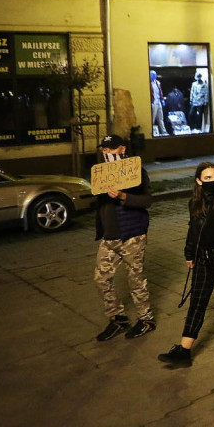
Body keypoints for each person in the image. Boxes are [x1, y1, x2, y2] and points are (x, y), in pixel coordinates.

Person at [159, 162, 214, 367]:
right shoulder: (195, 202)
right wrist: (189, 253)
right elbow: (194, 230)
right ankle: (184, 350)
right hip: (203, 258)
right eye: (207, 178)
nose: (213, 180)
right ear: (199, 181)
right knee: (197, 302)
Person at [93, 135, 156, 341]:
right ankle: (117, 318)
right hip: (110, 237)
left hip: (132, 236)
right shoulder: (101, 173)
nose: (107, 152)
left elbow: (147, 200)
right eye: (104, 149)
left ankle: (146, 319)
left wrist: (123, 196)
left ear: (122, 148)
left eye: (111, 148)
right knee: (101, 279)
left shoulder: (136, 172)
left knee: (135, 279)